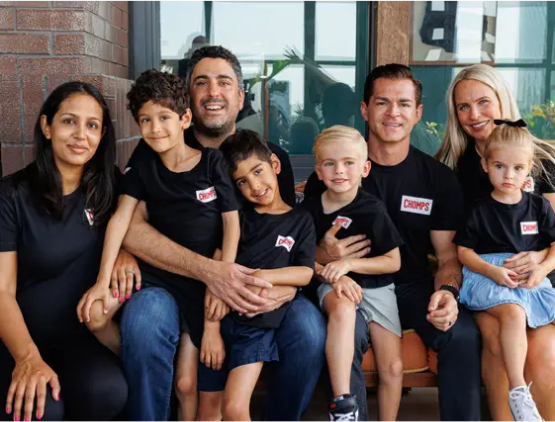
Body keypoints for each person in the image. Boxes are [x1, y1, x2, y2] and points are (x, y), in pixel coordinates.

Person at [117, 45, 326, 422]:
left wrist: (287, 288)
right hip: (177, 284)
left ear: (240, 95)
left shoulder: (267, 155)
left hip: (254, 286)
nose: (213, 92)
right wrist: (206, 271)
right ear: (188, 98)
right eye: (202, 82)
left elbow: (288, 234)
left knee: (309, 329)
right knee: (144, 320)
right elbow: (130, 226)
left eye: (224, 82)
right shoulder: (159, 147)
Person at [304, 64, 481, 422]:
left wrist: (447, 291)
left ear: (417, 113)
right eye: (382, 103)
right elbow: (304, 248)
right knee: (346, 332)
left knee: (461, 335)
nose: (393, 113)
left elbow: (447, 256)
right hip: (352, 286)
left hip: (412, 286)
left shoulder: (438, 181)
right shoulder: (333, 174)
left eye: (403, 104)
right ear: (365, 110)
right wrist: (323, 257)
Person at [75, 69, 240, 422]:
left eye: (164, 118)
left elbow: (231, 224)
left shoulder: (211, 162)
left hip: (202, 285)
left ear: (184, 119)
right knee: (96, 315)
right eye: (145, 120)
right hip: (158, 278)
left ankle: (159, 361)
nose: (155, 129)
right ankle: (148, 362)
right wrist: (103, 281)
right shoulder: (145, 163)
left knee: (186, 385)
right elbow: (121, 219)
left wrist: (222, 274)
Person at [0, 82, 128, 422]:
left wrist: (125, 252)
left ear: (102, 136)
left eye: (92, 126)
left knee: (106, 390)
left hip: (80, 340)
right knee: (43, 410)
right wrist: (27, 357)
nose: (80, 135)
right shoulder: (11, 196)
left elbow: (137, 225)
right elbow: (1, 290)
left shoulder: (108, 185)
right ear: (46, 126)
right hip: (19, 341)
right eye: (69, 121)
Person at [436, 63, 555, 421]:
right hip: (486, 280)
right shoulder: (453, 170)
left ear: (502, 99)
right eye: (463, 107)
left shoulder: (543, 159)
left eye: (483, 102)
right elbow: (454, 250)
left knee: (544, 350)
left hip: (538, 279)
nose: (474, 115)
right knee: (498, 339)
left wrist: (540, 263)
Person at [207, 129, 315, 421]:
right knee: (210, 412)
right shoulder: (238, 219)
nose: (254, 185)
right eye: (242, 181)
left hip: (255, 328)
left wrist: (263, 275)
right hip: (222, 318)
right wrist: (211, 330)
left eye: (258, 171)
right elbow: (217, 267)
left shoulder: (301, 219)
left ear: (275, 166)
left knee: (233, 407)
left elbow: (306, 272)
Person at [303, 126, 404, 422]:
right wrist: (332, 274)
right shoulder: (308, 211)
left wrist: (348, 265)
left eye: (349, 163)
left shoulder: (372, 209)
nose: (339, 171)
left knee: (393, 367)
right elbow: (301, 260)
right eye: (330, 164)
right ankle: (343, 404)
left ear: (364, 168)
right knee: (343, 309)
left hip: (377, 287)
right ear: (319, 171)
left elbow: (393, 261)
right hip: (332, 284)